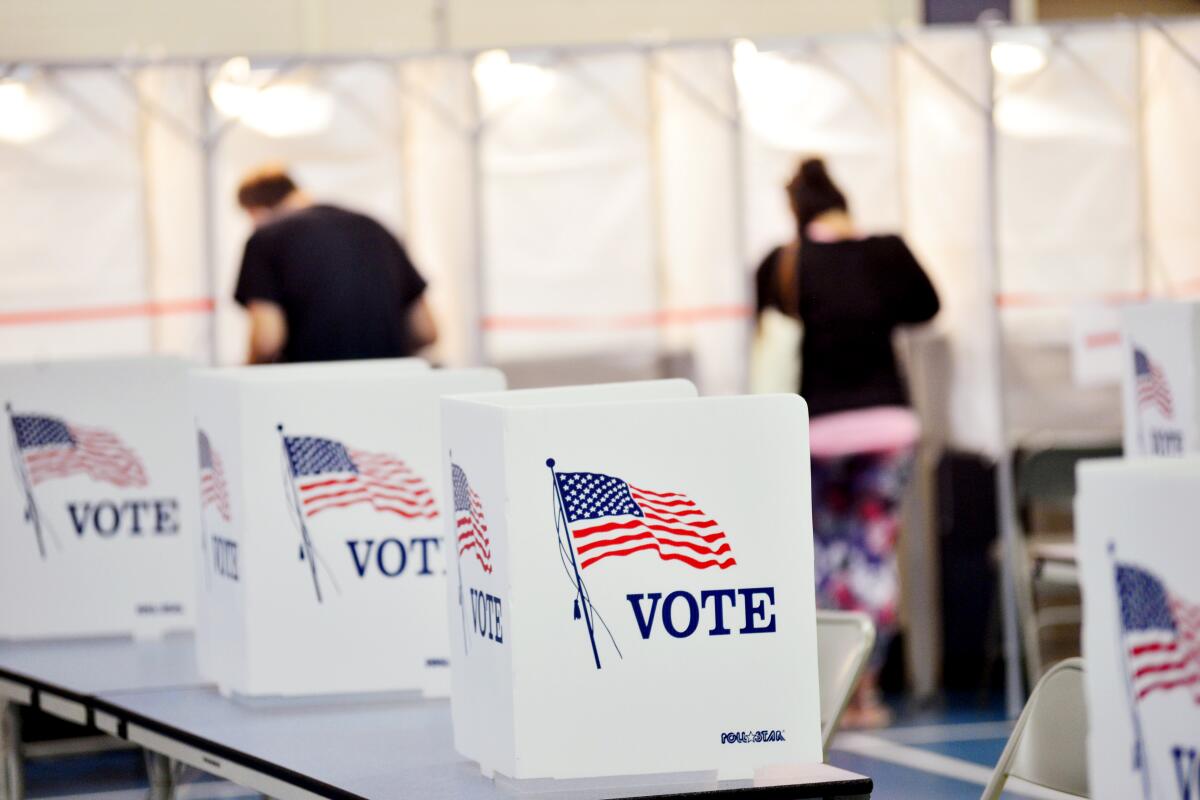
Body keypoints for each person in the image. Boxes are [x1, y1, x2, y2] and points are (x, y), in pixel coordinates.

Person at [756, 157, 940, 728]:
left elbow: (766, 334)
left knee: (817, 557)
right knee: (872, 555)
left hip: (815, 433)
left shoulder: (782, 264)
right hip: (886, 429)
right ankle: (866, 691)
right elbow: (927, 307)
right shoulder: (886, 253)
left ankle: (826, 692)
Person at [232, 166, 437, 363]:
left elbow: (267, 341)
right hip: (392, 385)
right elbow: (426, 331)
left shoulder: (265, 239)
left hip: (312, 388)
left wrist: (247, 373)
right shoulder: (376, 229)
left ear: (255, 211)